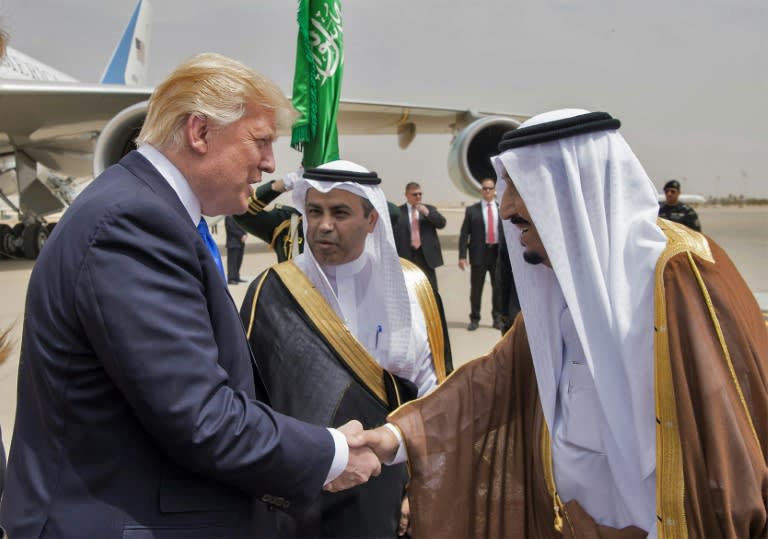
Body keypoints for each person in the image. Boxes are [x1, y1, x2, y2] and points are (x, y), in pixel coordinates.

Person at [0, 53, 381, 538]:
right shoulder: (134, 223)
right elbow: (200, 417)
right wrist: (331, 454)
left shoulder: (147, 211)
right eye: (261, 141)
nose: (269, 164)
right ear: (199, 133)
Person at [343, 109, 768, 537]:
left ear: (571, 195)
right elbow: (489, 384)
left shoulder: (678, 275)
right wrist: (395, 437)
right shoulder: (560, 291)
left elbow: (734, 434)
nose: (509, 214)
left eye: (525, 208)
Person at [240, 160, 452, 538]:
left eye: (340, 212)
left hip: (384, 494)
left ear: (371, 221)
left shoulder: (413, 289)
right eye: (315, 211)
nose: (323, 225)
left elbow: (437, 399)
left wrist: (419, 491)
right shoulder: (271, 290)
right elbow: (248, 402)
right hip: (294, 497)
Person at [235, 174, 402, 263]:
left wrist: (353, 189)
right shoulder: (287, 223)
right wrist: (279, 185)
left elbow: (393, 214)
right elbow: (242, 213)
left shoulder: (351, 217)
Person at [458, 177, 503, 330]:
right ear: (481, 190)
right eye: (485, 188)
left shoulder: (501, 208)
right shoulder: (472, 210)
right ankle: (474, 318)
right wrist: (462, 256)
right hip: (479, 255)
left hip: (497, 254)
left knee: (498, 289)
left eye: (490, 188)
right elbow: (464, 234)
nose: (487, 191)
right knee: (476, 289)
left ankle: (497, 318)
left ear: (494, 190)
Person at [393, 182, 446, 293]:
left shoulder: (429, 209)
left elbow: (441, 224)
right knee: (409, 290)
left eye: (420, 194)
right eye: (414, 194)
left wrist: (427, 213)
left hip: (426, 257)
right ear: (407, 195)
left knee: (431, 291)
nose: (418, 197)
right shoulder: (398, 212)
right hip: (407, 256)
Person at [494, 230, 520, 335]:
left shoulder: (512, 229)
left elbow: (503, 276)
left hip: (517, 314)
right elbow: (503, 276)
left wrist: (504, 312)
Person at [224, 215, 248, 284]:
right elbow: (231, 229)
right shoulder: (229, 216)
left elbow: (244, 226)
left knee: (238, 261)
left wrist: (245, 234)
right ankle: (231, 278)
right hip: (233, 243)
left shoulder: (238, 216)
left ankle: (236, 277)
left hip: (240, 242)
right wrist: (241, 235)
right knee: (232, 262)